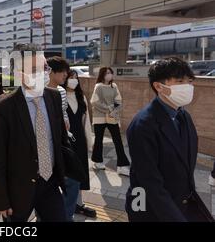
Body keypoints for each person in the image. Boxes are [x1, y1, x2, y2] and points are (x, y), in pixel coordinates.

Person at [126, 58, 214, 222]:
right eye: (180, 81)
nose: (187, 86)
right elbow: (150, 182)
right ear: (159, 86)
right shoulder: (143, 125)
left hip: (181, 203)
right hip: (150, 210)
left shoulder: (183, 115)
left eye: (189, 81)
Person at [0, 44, 69, 222]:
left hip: (50, 184)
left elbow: (59, 140)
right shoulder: (5, 107)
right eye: (34, 70)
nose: (42, 74)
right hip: (19, 190)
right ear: (19, 74)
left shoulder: (54, 97)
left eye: (44, 68)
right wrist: (1, 200)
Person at [46, 56, 80, 222]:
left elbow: (63, 111)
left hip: (62, 142)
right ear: (50, 71)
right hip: (46, 146)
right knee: (47, 184)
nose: (66, 74)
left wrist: (65, 121)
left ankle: (67, 215)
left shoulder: (61, 91)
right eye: (63, 71)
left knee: (73, 181)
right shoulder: (40, 92)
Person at [64, 70, 97, 218]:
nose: (74, 80)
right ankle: (67, 205)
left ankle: (79, 203)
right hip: (65, 141)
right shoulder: (59, 96)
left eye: (76, 78)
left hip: (80, 140)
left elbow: (86, 121)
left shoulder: (80, 96)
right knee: (67, 174)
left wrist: (89, 141)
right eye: (71, 77)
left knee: (80, 173)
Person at [90, 67, 130, 176]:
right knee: (98, 140)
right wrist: (109, 109)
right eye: (107, 73)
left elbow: (119, 100)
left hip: (112, 117)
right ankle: (98, 162)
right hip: (100, 118)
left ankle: (122, 166)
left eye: (111, 73)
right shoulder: (98, 86)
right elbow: (95, 101)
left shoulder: (114, 86)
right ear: (102, 74)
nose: (109, 75)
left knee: (118, 141)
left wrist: (115, 110)